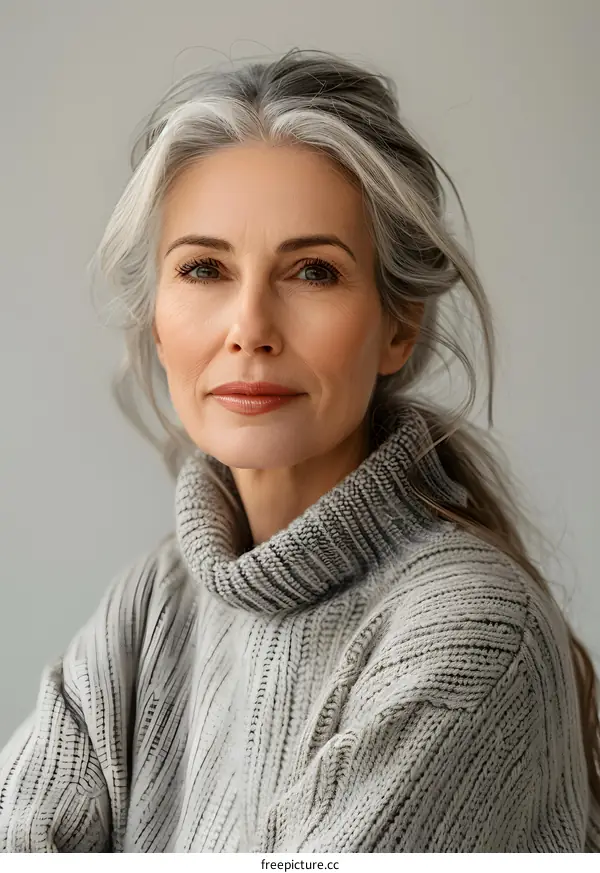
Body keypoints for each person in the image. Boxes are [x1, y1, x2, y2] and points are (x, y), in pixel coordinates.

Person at [0, 47, 598, 854]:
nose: (250, 327)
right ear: (156, 321)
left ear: (399, 325)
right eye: (204, 268)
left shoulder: (473, 635)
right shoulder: (154, 602)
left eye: (313, 271)